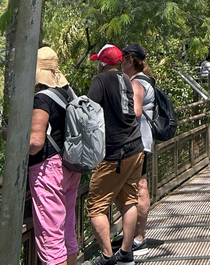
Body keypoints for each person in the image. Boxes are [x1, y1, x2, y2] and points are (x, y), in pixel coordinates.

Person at [84, 45, 144, 265]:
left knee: (96, 206)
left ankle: (107, 256)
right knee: (129, 199)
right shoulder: (125, 80)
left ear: (102, 63)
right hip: (135, 147)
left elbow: (88, 112)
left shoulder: (99, 81)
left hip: (114, 152)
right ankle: (126, 253)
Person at [23, 47, 82, 265]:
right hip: (70, 166)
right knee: (67, 233)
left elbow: (35, 143)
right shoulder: (68, 92)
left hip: (48, 171)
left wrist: (10, 136)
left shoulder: (42, 99)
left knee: (51, 241)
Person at [120, 43, 154, 257]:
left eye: (123, 59)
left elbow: (135, 112)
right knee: (139, 186)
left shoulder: (136, 84)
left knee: (140, 187)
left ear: (131, 60)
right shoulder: (146, 80)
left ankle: (139, 238)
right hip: (143, 141)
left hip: (138, 142)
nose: (121, 63)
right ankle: (133, 235)